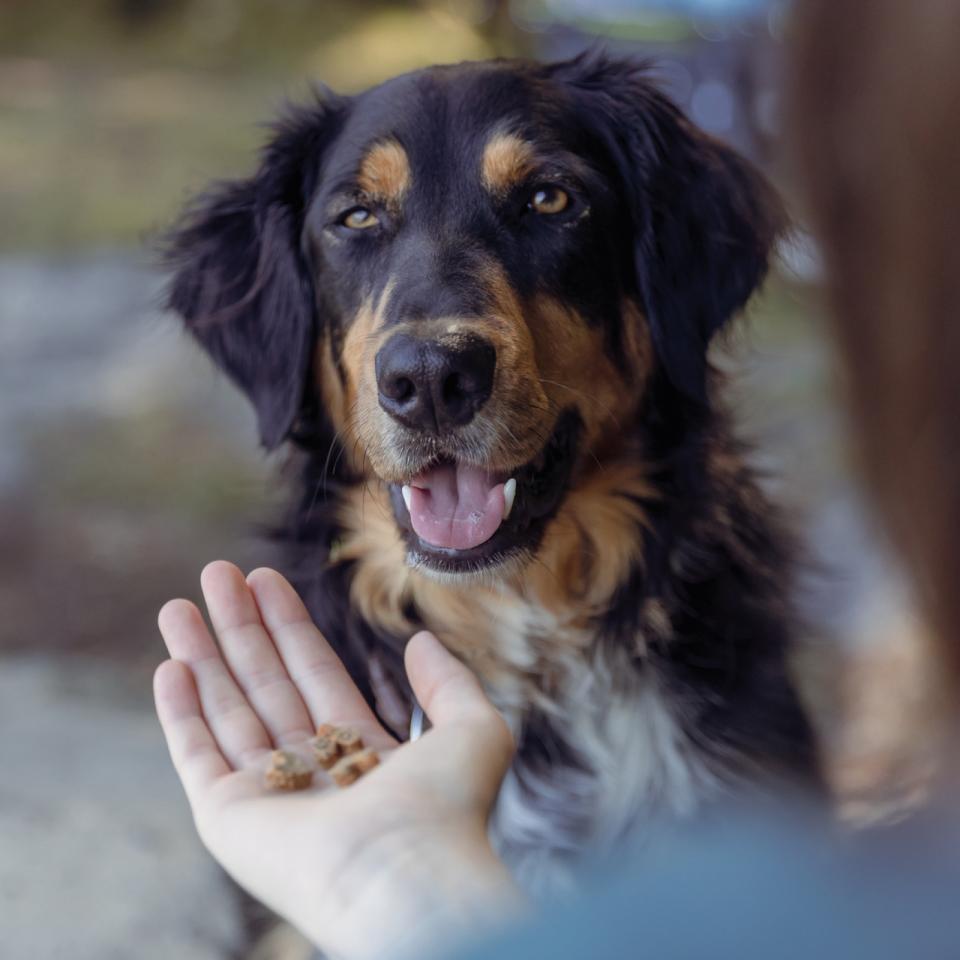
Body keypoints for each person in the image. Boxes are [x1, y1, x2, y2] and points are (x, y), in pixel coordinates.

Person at [154, 1, 960, 956]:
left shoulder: (769, 809)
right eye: (359, 220)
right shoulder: (323, 786)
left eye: (546, 204)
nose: (429, 355)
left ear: (661, 299)